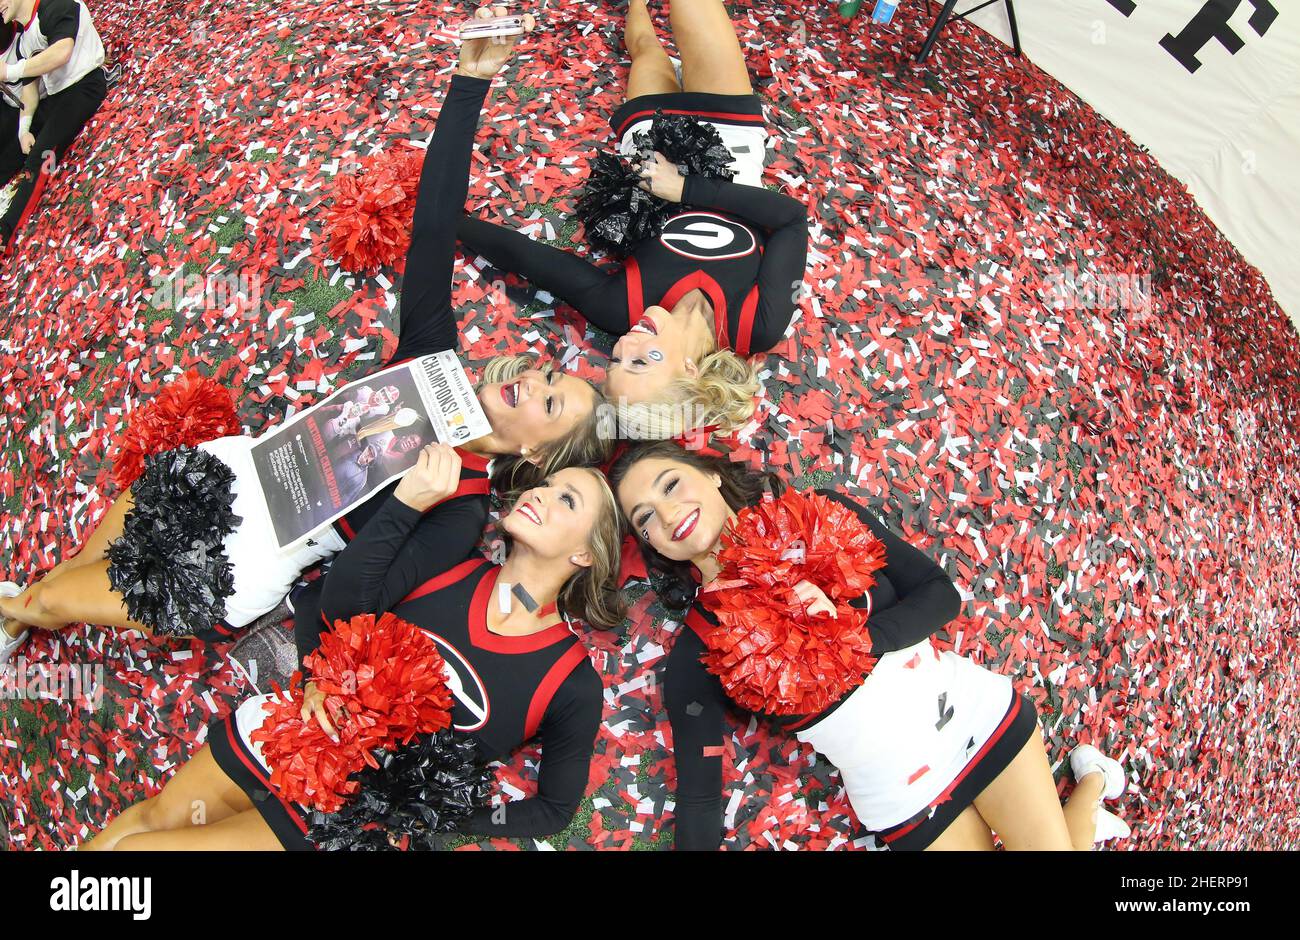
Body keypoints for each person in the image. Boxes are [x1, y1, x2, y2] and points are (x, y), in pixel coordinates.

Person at [0, 7, 607, 657]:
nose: (533, 378)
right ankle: (14, 621)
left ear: (539, 458)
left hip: (233, 571)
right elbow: (432, 225)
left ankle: (19, 615)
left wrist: (407, 504)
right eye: (548, 374)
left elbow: (351, 603)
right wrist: (470, 80)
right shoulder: (433, 358)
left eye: (551, 401)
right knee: (68, 576)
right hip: (224, 474)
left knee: (51, 600)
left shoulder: (461, 511)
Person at [83, 453, 627, 850]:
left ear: (585, 552)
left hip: (339, 816)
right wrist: (319, 672)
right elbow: (337, 602)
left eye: (566, 499)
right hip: (287, 732)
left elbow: (553, 808)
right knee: (154, 819)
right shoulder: (450, 564)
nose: (538, 494)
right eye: (547, 484)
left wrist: (426, 813)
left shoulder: (570, 683)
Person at [609, 441, 1132, 850]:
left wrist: (852, 635)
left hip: (970, 718)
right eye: (645, 517)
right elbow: (700, 797)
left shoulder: (821, 516)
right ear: (650, 543)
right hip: (900, 790)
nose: (667, 512)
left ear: (712, 474)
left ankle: (1090, 786)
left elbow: (939, 595)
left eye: (671, 484)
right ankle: (1093, 787)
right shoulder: (698, 650)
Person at [458, 0, 809, 437]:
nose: (624, 344)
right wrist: (685, 189)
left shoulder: (620, 309)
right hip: (729, 140)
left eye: (618, 360)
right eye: (640, 361)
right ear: (689, 372)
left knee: (645, 49)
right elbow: (792, 220)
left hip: (650, 145)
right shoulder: (755, 326)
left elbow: (527, 257)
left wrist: (441, 219)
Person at [0, 0, 107, 252]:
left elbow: (61, 52)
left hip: (84, 86)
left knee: (41, 156)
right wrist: (24, 130)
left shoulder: (55, 4)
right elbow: (30, 91)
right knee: (11, 152)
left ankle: (5, 231)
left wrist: (10, 71)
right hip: (56, 95)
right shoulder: (24, 35)